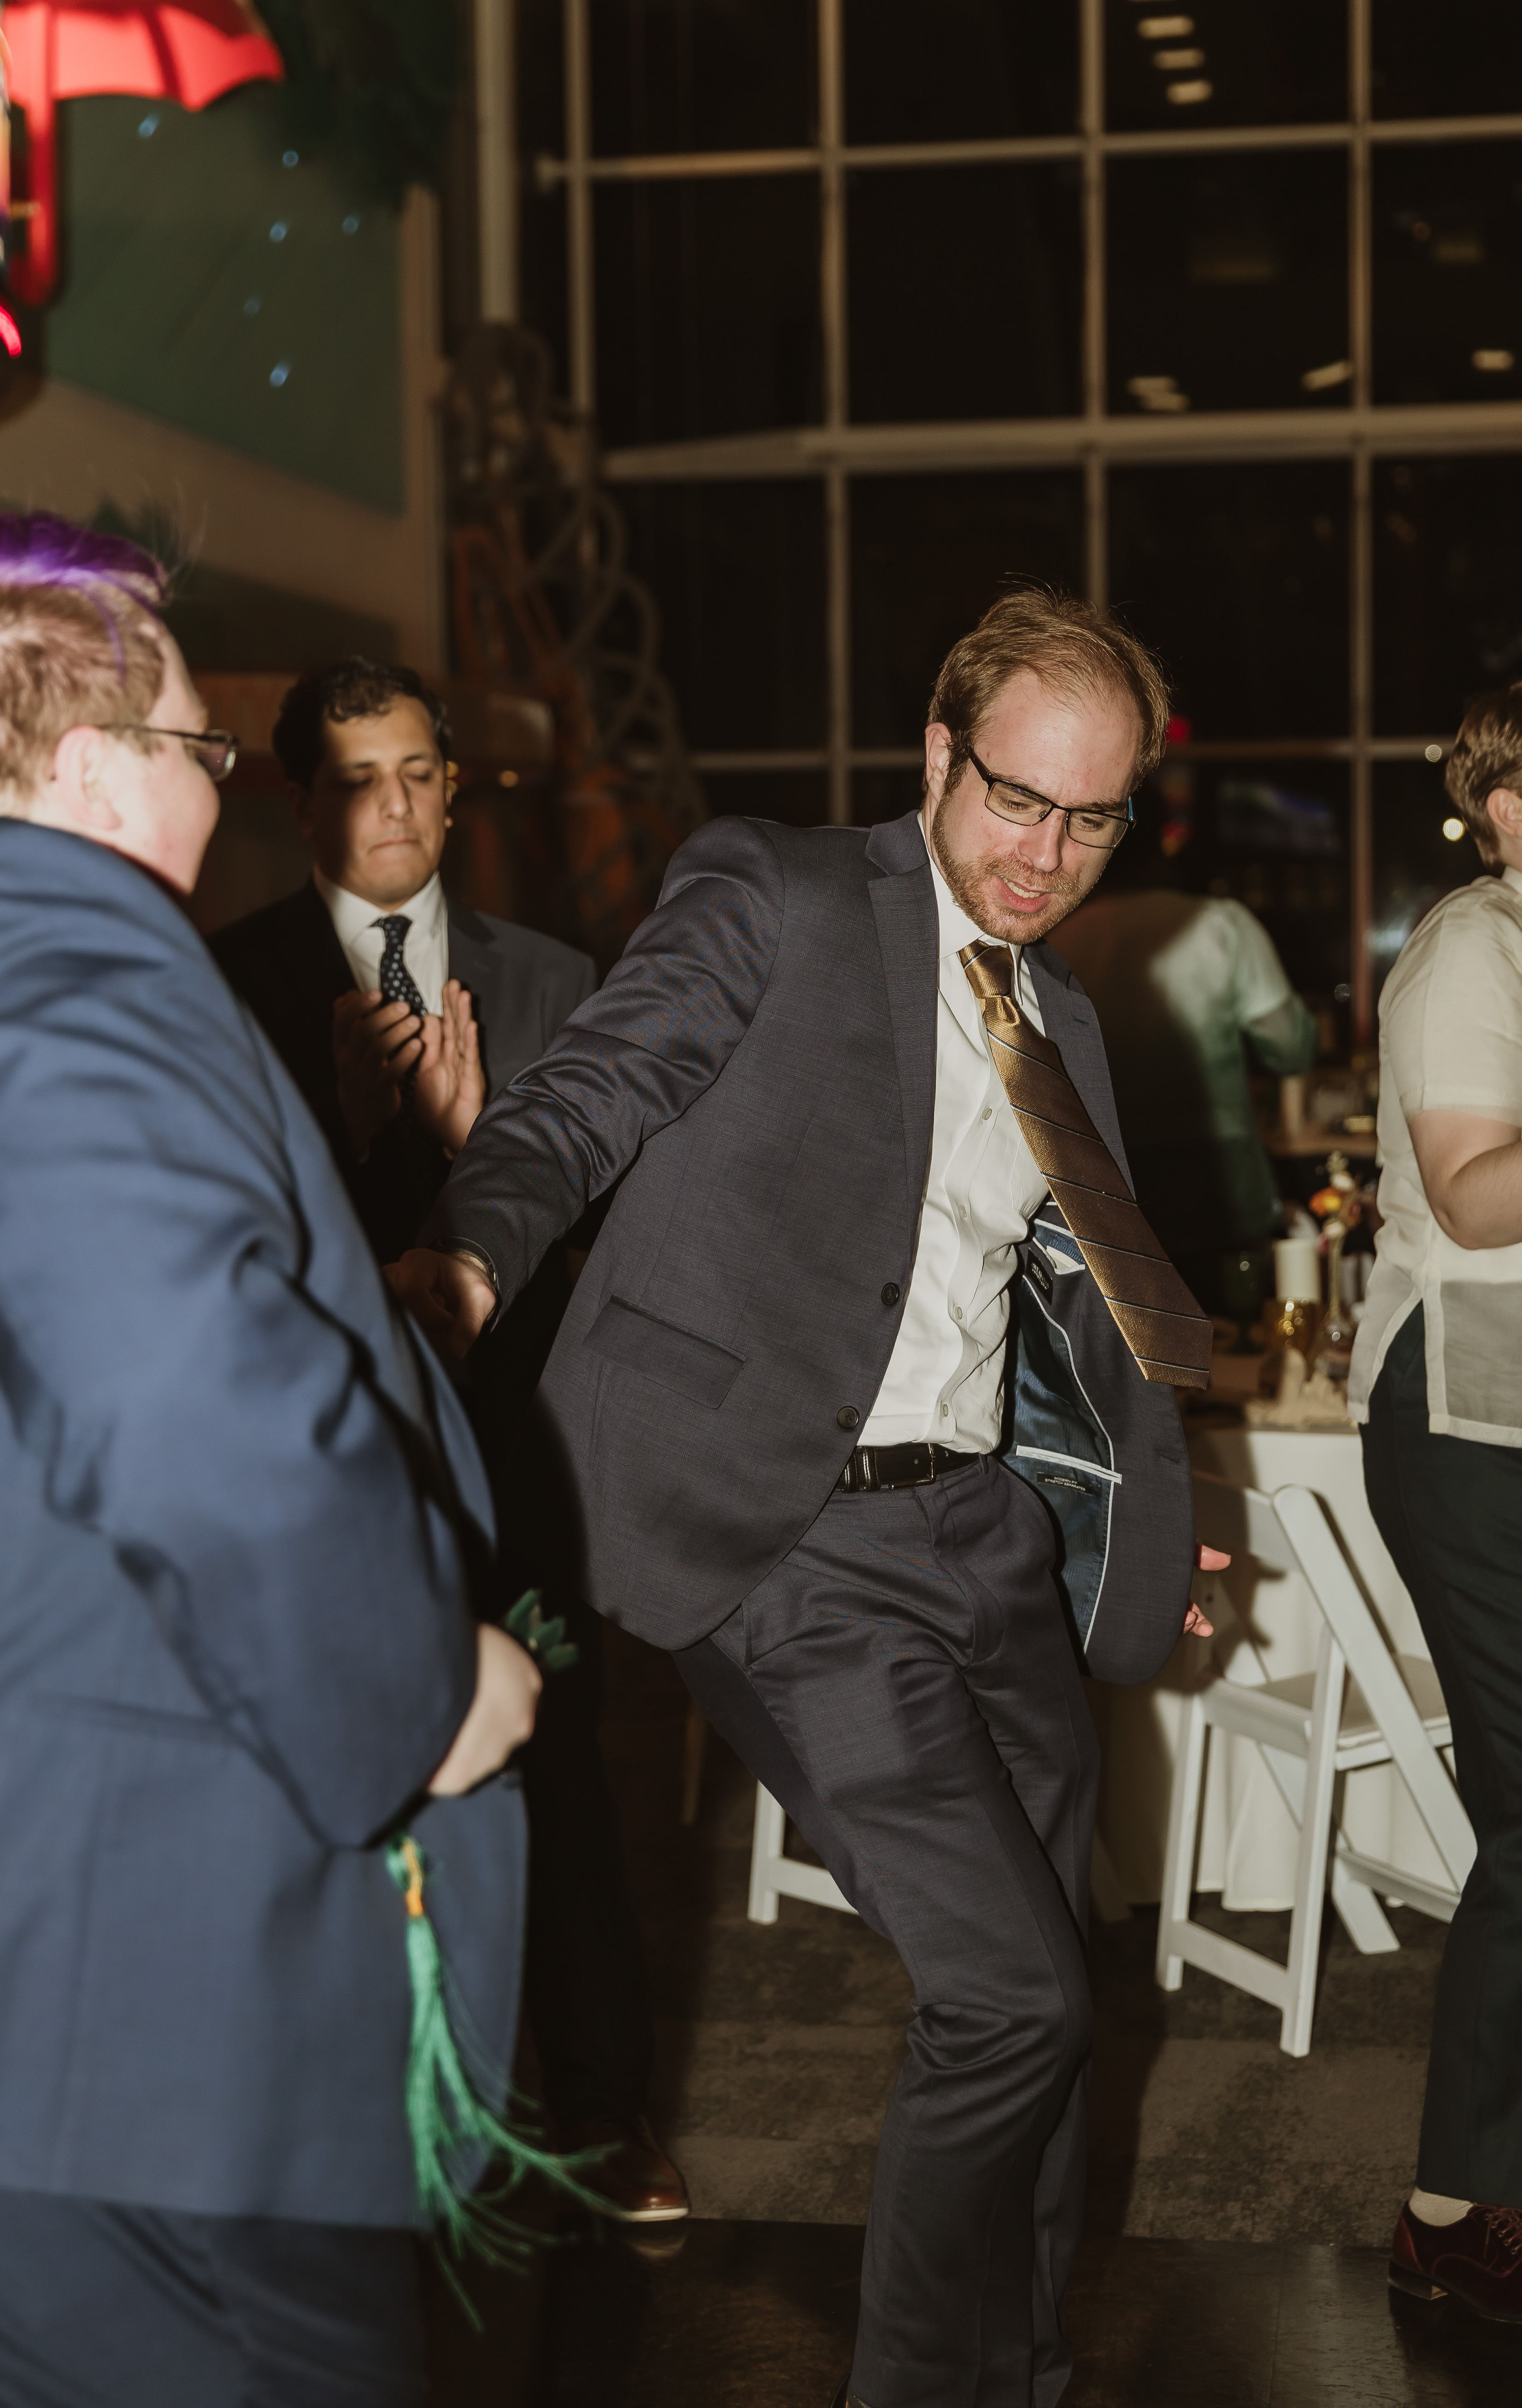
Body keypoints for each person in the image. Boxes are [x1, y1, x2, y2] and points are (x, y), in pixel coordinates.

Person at [390, 585, 1225, 2408]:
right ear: (937, 752)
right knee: (1008, 1996)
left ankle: (1022, 2372)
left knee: (1054, 2001)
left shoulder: (1062, 1018)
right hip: (794, 1536)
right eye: (1015, 797)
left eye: (1091, 820)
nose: (1043, 855)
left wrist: (1142, 1518)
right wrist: (468, 1257)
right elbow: (589, 1094)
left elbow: (1070, 1305)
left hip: (986, 1540)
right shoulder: (778, 891)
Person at [0, 515, 541, 2404]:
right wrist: (415, 1688)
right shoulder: (74, 975)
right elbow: (175, 1392)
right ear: (86, 766)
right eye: (196, 748)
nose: (219, 791)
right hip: (148, 2013)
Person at [211, 659, 684, 2223]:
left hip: (517, 1455)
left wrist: (489, 1162)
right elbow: (229, 1252)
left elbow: (621, 1246)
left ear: (457, 788)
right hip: (324, 1460)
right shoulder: (226, 983)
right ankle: (378, 2123)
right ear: (300, 802)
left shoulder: (551, 979)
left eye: (420, 771)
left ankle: (606, 2113)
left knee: (567, 1774)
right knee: (340, 1774)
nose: (396, 805)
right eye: (359, 778)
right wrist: (356, 1142)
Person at [1350, 674, 1522, 2327]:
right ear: (1507, 810)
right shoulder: (1470, 946)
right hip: (1465, 1416)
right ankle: (1454, 2210)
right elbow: (1474, 1195)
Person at [1052, 887, 1316, 1310]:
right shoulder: (1223, 924)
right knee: (1235, 1326)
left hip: (1108, 1184)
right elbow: (1289, 1047)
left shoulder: (1065, 933)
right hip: (1219, 1183)